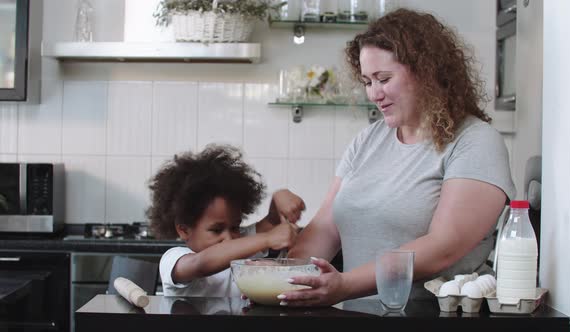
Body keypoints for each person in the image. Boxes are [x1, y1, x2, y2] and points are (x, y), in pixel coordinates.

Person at [280, 8, 516, 307]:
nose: (374, 94)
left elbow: (443, 246)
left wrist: (345, 285)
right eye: (367, 81)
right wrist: (284, 278)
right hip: (359, 316)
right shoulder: (368, 140)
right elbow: (325, 227)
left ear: (426, 72)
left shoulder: (476, 141)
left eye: (384, 78)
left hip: (431, 318)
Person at [147, 143, 306, 297]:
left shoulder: (241, 242)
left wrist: (279, 197)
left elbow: (272, 221)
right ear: (184, 229)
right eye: (216, 230)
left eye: (235, 227)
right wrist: (267, 239)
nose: (229, 238)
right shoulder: (173, 259)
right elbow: (201, 264)